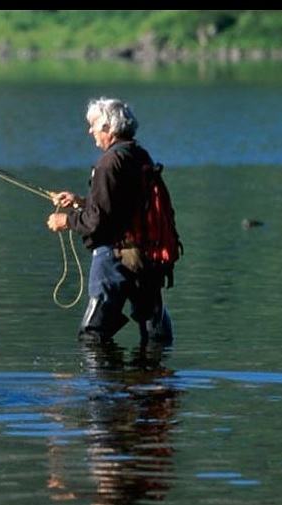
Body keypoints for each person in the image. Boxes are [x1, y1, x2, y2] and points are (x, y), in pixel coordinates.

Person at [46, 97, 174, 346]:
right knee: (154, 331)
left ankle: (106, 385)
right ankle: (152, 379)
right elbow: (123, 205)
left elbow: (97, 223)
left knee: (92, 336)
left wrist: (66, 220)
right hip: (146, 255)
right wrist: (82, 201)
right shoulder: (137, 154)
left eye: (93, 125)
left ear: (108, 128)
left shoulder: (108, 163)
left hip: (114, 258)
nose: (90, 130)